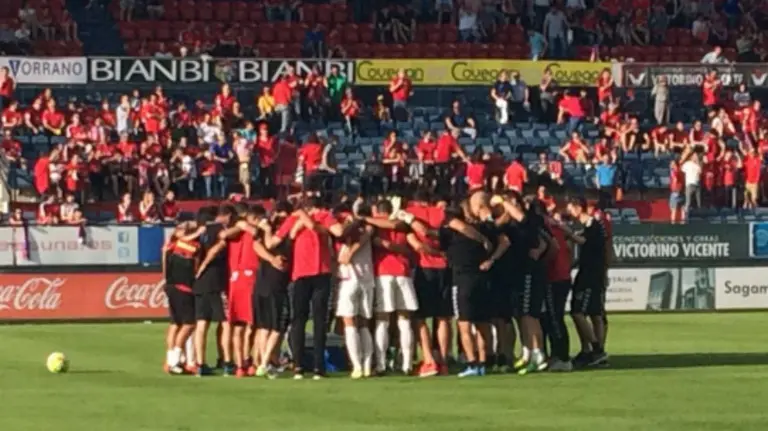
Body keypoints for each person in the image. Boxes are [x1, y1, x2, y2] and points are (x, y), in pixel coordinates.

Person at [263, 194, 355, 379]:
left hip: (312, 272)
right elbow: (274, 242)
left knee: (310, 320)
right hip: (309, 273)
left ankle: (309, 367)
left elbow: (336, 232)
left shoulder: (313, 217)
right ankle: (307, 367)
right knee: (306, 320)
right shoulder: (306, 218)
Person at [438, 193, 507, 377]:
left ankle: (472, 363)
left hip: (462, 280)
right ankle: (484, 362)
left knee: (464, 325)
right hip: (483, 278)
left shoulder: (452, 229)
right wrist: (491, 259)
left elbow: (447, 233)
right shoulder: (486, 227)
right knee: (483, 324)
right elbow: (504, 241)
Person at [334, 204, 376, 378]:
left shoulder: (353, 231)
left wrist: (350, 252)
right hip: (366, 278)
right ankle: (366, 365)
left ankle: (358, 365)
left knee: (350, 322)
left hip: (350, 278)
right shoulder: (367, 230)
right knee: (364, 323)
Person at [252, 201, 292, 379]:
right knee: (275, 327)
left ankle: (263, 362)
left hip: (262, 284)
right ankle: (265, 363)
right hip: (275, 286)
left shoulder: (267, 233)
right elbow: (262, 245)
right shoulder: (287, 237)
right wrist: (272, 259)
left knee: (264, 327)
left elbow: (258, 245)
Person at [567, 198, 609, 368]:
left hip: (590, 276)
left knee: (579, 312)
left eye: (571, 209)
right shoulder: (588, 227)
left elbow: (585, 241)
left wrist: (567, 234)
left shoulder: (593, 225)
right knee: (595, 313)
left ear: (578, 208)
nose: (570, 213)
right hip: (592, 273)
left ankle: (597, 349)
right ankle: (590, 352)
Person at [191, 206, 231, 376]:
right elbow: (216, 249)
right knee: (225, 322)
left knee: (201, 324)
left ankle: (200, 363)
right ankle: (227, 361)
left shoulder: (196, 232)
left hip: (199, 284)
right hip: (215, 281)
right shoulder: (218, 229)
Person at [162, 217, 199, 375]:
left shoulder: (169, 245)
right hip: (184, 287)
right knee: (189, 324)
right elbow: (196, 268)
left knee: (175, 324)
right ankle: (175, 360)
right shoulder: (193, 246)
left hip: (170, 285)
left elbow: (164, 263)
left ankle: (170, 359)